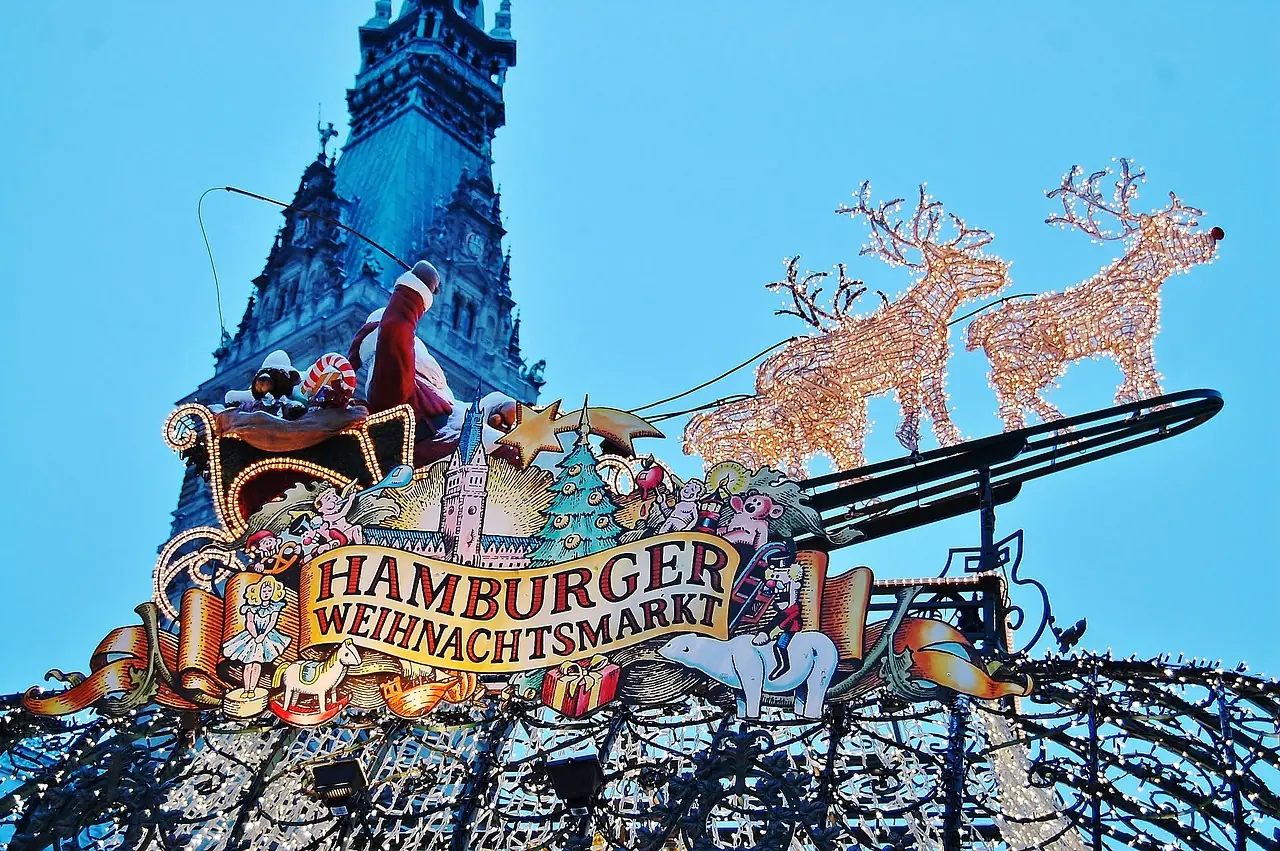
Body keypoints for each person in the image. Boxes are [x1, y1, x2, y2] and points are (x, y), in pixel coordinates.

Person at [221, 575, 291, 697]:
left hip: (266, 637)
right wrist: (255, 636)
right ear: (258, 590)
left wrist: (263, 635)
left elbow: (272, 622)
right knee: (248, 664)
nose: (266, 593)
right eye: (264, 590)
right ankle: (246, 688)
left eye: (269, 591)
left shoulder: (275, 606)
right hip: (251, 637)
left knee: (257, 664)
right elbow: (249, 622)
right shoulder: (251, 607)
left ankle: (252, 689)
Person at [752, 555, 804, 679]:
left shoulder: (793, 605)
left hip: (791, 625)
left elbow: (791, 618)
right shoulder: (779, 593)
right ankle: (764, 635)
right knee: (766, 629)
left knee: (779, 646)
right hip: (782, 616)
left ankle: (783, 666)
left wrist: (779, 629)